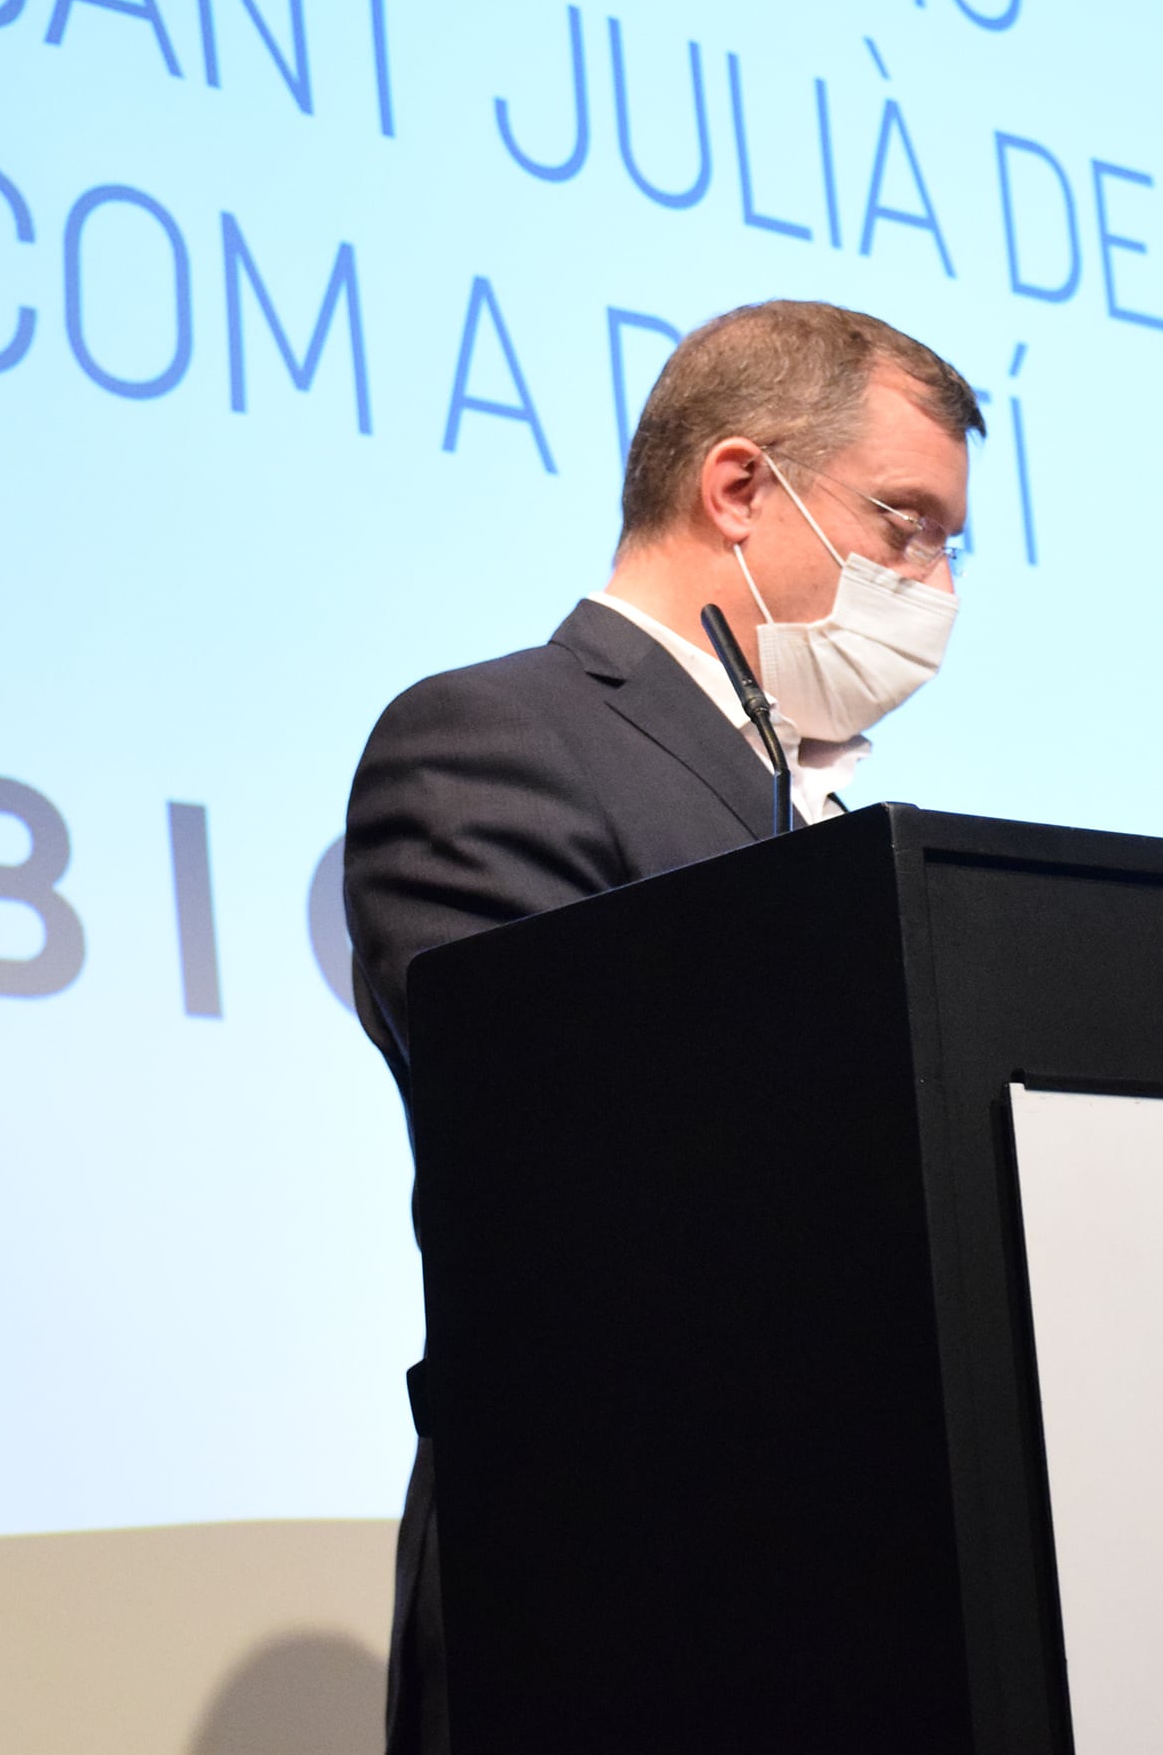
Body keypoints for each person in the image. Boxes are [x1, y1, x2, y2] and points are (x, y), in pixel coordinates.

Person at [341, 297, 981, 1754]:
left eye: (951, 542)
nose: (935, 583)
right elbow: (552, 1144)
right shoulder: (493, 739)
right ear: (741, 487)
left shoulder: (826, 800)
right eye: (903, 523)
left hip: (877, 1592)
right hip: (626, 1595)